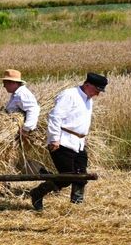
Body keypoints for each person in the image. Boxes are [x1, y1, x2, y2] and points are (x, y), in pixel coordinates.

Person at [29, 72, 108, 211]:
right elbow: (55, 117)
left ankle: (76, 206)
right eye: (97, 90)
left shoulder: (88, 99)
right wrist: (54, 139)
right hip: (63, 141)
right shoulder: (69, 95)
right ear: (87, 84)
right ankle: (37, 193)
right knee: (66, 177)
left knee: (81, 176)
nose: (97, 94)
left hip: (78, 143)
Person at [1, 69, 40, 133]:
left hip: (21, 132)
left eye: (5, 83)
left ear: (13, 82)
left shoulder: (22, 94)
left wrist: (25, 129)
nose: (4, 86)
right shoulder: (16, 93)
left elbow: (33, 109)